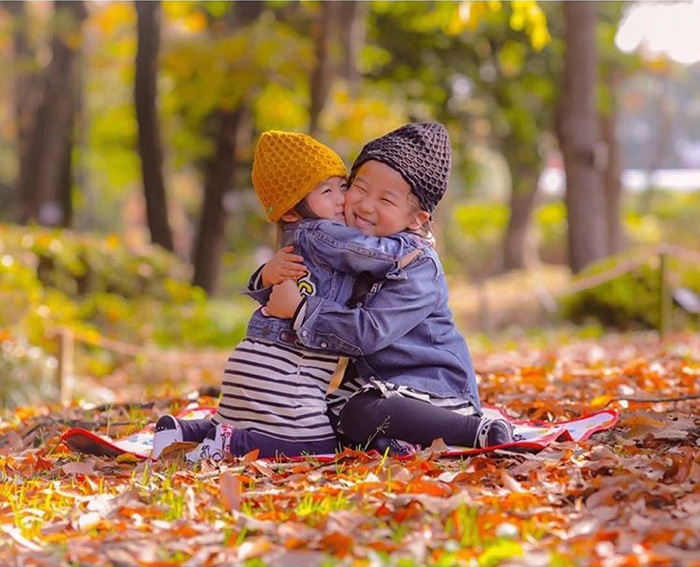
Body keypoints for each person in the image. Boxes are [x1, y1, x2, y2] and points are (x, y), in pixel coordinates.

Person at [151, 131, 427, 461]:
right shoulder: (326, 233)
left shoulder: (297, 237)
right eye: (327, 191)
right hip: (289, 367)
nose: (342, 198)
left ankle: (182, 432)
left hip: (252, 357)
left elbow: (275, 285)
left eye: (342, 185)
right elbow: (372, 254)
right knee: (319, 446)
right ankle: (230, 445)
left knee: (236, 418)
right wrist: (412, 245)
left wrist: (263, 275)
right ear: (293, 211)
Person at [265, 122, 513, 453]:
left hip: (434, 390)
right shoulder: (353, 250)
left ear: (416, 219)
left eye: (385, 199)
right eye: (360, 188)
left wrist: (300, 310)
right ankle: (395, 443)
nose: (366, 206)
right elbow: (303, 280)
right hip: (375, 387)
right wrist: (268, 275)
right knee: (314, 419)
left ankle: (476, 430)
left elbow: (368, 332)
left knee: (361, 412)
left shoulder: (418, 265)